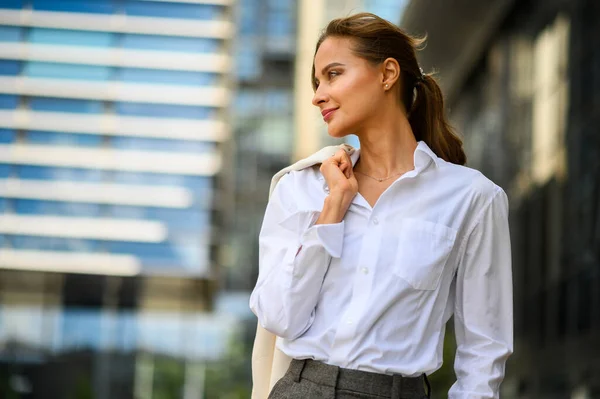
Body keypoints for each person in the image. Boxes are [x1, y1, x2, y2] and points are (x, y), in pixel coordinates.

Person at [249, 12, 513, 399]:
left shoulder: (472, 197)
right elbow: (279, 318)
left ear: (387, 74)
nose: (317, 94)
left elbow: (484, 352)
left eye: (333, 74)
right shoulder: (301, 187)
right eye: (316, 81)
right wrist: (331, 211)